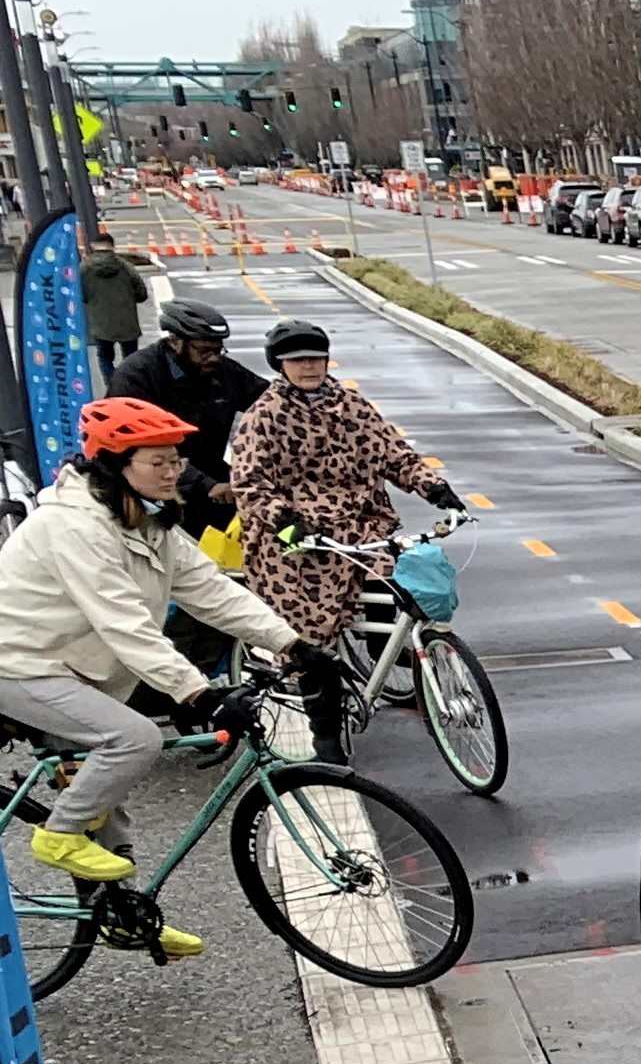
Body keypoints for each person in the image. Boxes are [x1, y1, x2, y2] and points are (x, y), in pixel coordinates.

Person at [0, 398, 292, 956]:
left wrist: (291, 642)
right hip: (19, 662)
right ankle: (56, 835)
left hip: (75, 669)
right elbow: (125, 626)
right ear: (115, 466)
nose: (172, 471)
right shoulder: (74, 527)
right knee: (135, 739)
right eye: (157, 461)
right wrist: (200, 694)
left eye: (176, 460)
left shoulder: (149, 517)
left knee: (107, 807)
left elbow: (210, 590)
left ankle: (125, 916)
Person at [227, 320, 463, 763]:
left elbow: (392, 452)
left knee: (407, 578)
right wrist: (286, 522)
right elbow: (251, 484)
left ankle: (386, 650)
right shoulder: (265, 415)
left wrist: (434, 488)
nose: (309, 367)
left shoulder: (350, 404)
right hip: (295, 536)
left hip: (360, 523)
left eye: (316, 358)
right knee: (312, 639)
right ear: (280, 365)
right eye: (298, 360)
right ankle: (326, 735)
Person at [107, 301, 267, 540]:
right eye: (203, 351)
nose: (213, 358)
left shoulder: (223, 371)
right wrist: (205, 485)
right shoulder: (137, 376)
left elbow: (268, 401)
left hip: (210, 471)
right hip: (151, 479)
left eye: (218, 350)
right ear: (174, 342)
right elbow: (140, 449)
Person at [79, 233, 154, 385]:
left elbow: (82, 295)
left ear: (93, 246)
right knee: (131, 358)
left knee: (105, 357)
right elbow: (142, 294)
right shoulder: (126, 267)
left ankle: (113, 385)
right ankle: (130, 384)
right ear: (112, 246)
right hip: (128, 322)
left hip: (101, 324)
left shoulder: (84, 269)